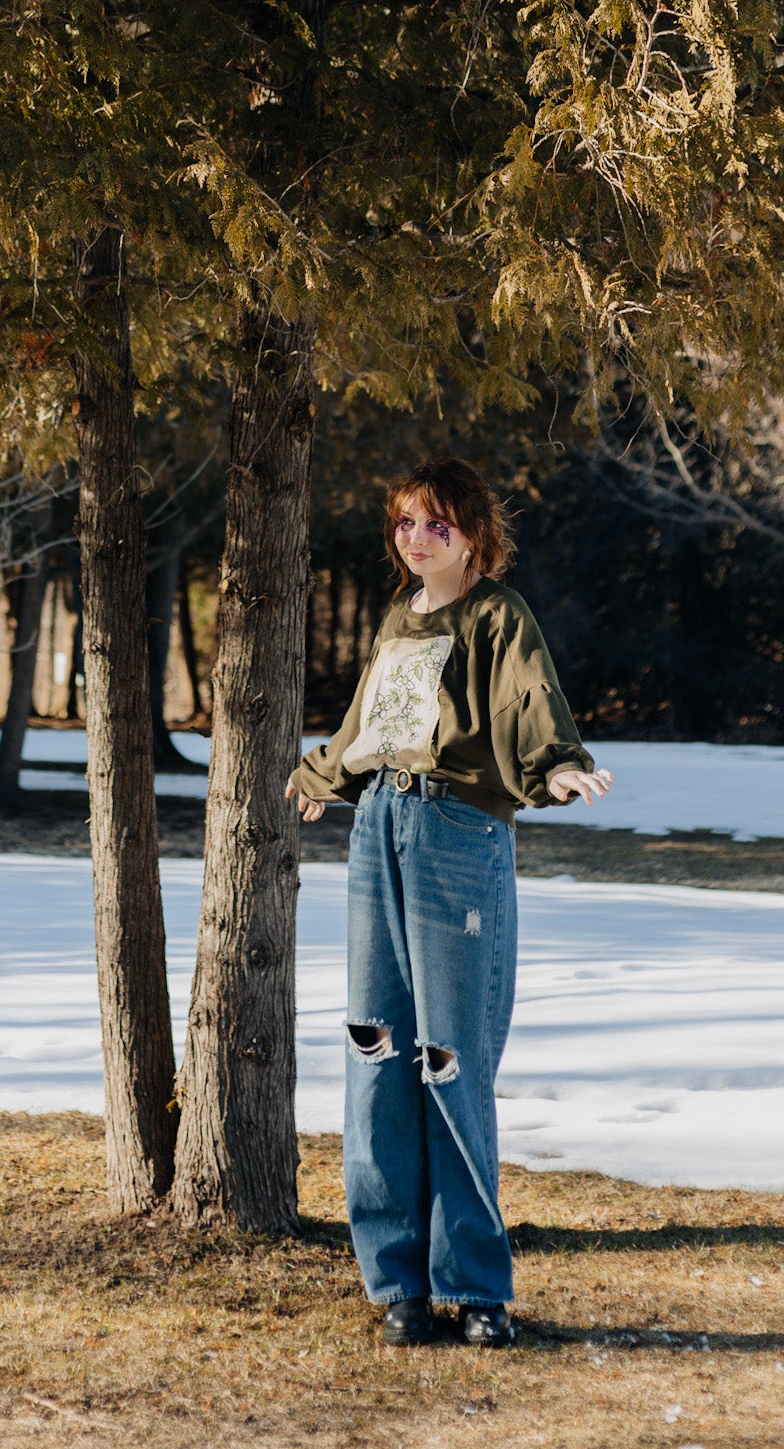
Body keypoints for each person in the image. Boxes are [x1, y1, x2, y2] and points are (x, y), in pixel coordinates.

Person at [286, 457, 611, 1349]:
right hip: (378, 826)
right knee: (376, 1046)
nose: (418, 538)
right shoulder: (399, 618)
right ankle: (395, 1281)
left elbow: (531, 697)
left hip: (455, 835)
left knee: (448, 1057)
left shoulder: (498, 614)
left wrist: (559, 767)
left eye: (437, 523)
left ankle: (474, 1288)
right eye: (404, 523)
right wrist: (321, 775)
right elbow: (369, 720)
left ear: (473, 535)